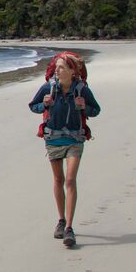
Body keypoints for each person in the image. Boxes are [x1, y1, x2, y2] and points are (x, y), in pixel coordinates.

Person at [28, 53, 100, 247]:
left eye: (61, 67)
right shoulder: (49, 87)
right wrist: (44, 104)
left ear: (72, 71)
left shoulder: (81, 89)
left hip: (75, 139)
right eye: (57, 67)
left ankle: (69, 228)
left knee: (70, 180)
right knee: (58, 180)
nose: (56, 70)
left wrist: (85, 107)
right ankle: (60, 221)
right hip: (53, 139)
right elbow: (33, 106)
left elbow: (96, 110)